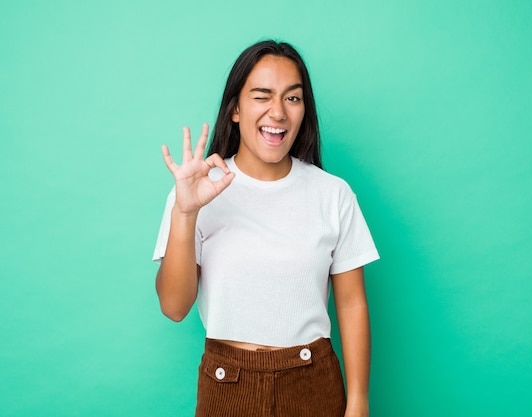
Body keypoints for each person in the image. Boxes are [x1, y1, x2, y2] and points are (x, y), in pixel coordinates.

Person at [153, 39, 379, 417]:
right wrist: (185, 212)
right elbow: (174, 307)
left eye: (292, 98)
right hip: (227, 386)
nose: (278, 112)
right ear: (236, 109)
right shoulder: (196, 191)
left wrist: (358, 401)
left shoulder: (333, 194)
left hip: (313, 381)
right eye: (262, 96)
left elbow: (353, 304)